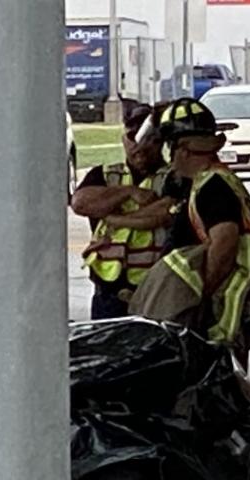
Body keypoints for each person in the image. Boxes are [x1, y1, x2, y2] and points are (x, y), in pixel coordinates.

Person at [128, 98, 250, 367]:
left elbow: (225, 244)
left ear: (182, 150)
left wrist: (198, 297)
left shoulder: (213, 188)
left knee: (213, 391)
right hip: (223, 311)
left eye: (169, 147)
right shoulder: (205, 181)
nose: (168, 158)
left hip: (219, 314)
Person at [70, 102, 183, 320]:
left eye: (151, 140)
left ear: (162, 143)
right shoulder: (105, 174)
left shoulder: (174, 177)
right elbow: (81, 203)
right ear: (123, 139)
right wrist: (128, 192)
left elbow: (164, 214)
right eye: (133, 138)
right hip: (110, 295)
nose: (140, 147)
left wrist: (114, 218)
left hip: (157, 290)